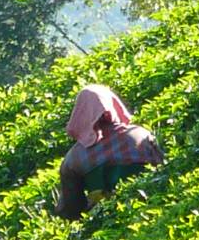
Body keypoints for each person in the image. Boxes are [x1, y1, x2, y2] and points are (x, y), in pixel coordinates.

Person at [54, 84, 165, 221]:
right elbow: (164, 169)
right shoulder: (140, 134)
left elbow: (71, 208)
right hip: (153, 206)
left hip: (108, 220)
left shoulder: (74, 158)